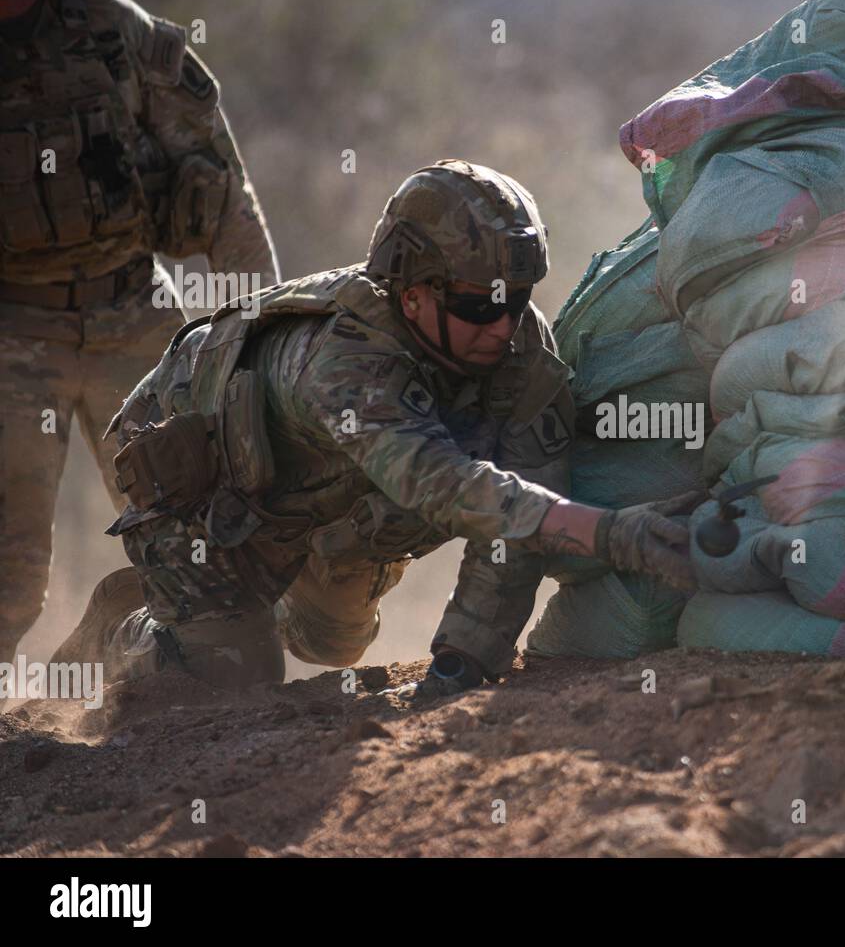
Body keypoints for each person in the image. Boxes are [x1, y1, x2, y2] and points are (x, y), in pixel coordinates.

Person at [52, 160, 695, 700]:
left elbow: (516, 523)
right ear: (411, 294)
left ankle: (245, 610)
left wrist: (465, 658)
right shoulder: (343, 360)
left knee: (333, 643)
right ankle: (127, 628)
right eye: (478, 304)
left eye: (517, 296)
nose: (503, 323)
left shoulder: (520, 356)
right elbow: (436, 481)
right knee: (232, 676)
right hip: (199, 500)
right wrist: (609, 532)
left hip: (327, 496)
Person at [0, 0, 279, 664]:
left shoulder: (112, 32)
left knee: (198, 530)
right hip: (11, 329)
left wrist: (260, 353)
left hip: (131, 312)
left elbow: (222, 195)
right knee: (10, 577)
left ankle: (185, 681)